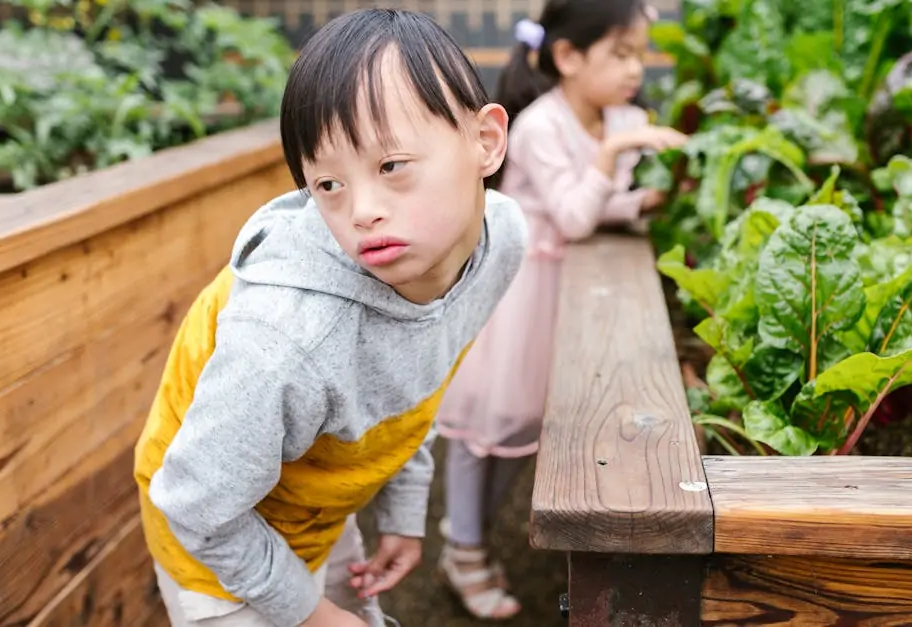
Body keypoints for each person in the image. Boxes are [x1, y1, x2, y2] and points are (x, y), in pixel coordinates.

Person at [132, 8, 528, 627]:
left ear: (486, 141)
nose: (362, 211)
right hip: (213, 536)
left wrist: (403, 512)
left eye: (391, 166)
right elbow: (196, 507)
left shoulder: (499, 242)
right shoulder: (287, 340)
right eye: (327, 185)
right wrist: (314, 614)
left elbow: (419, 369)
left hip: (313, 495)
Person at [433, 0, 687, 620]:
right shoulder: (541, 126)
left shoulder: (618, 117)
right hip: (517, 296)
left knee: (522, 429)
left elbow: (595, 207)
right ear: (568, 56)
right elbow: (573, 217)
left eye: (640, 54)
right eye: (620, 54)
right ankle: (462, 548)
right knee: (486, 424)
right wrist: (613, 153)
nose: (636, 69)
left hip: (559, 297)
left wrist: (643, 201)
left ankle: (468, 539)